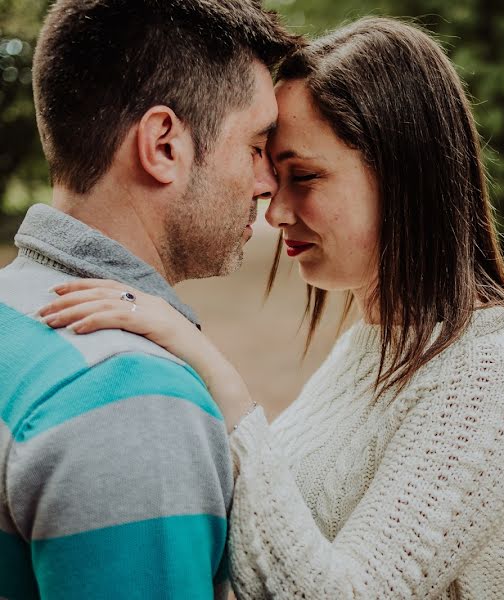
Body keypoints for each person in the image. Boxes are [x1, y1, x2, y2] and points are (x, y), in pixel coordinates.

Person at [40, 17, 504, 600]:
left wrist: (214, 373)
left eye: (305, 177)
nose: (275, 211)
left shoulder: (491, 374)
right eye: (271, 170)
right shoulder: (374, 340)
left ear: (406, 176)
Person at [0, 1, 294, 598]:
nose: (268, 184)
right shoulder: (136, 403)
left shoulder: (11, 309)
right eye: (258, 146)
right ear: (164, 145)